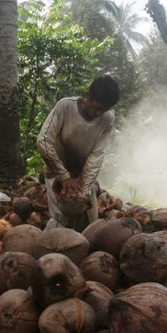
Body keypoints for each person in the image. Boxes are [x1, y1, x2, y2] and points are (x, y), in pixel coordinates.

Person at [37, 75, 120, 231]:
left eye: (103, 110)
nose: (98, 114)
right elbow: (43, 141)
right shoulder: (65, 106)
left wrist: (85, 187)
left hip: (82, 174)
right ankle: (50, 250)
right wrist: (64, 176)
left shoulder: (107, 118)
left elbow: (96, 155)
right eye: (97, 108)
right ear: (87, 97)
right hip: (56, 171)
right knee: (60, 220)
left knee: (91, 223)